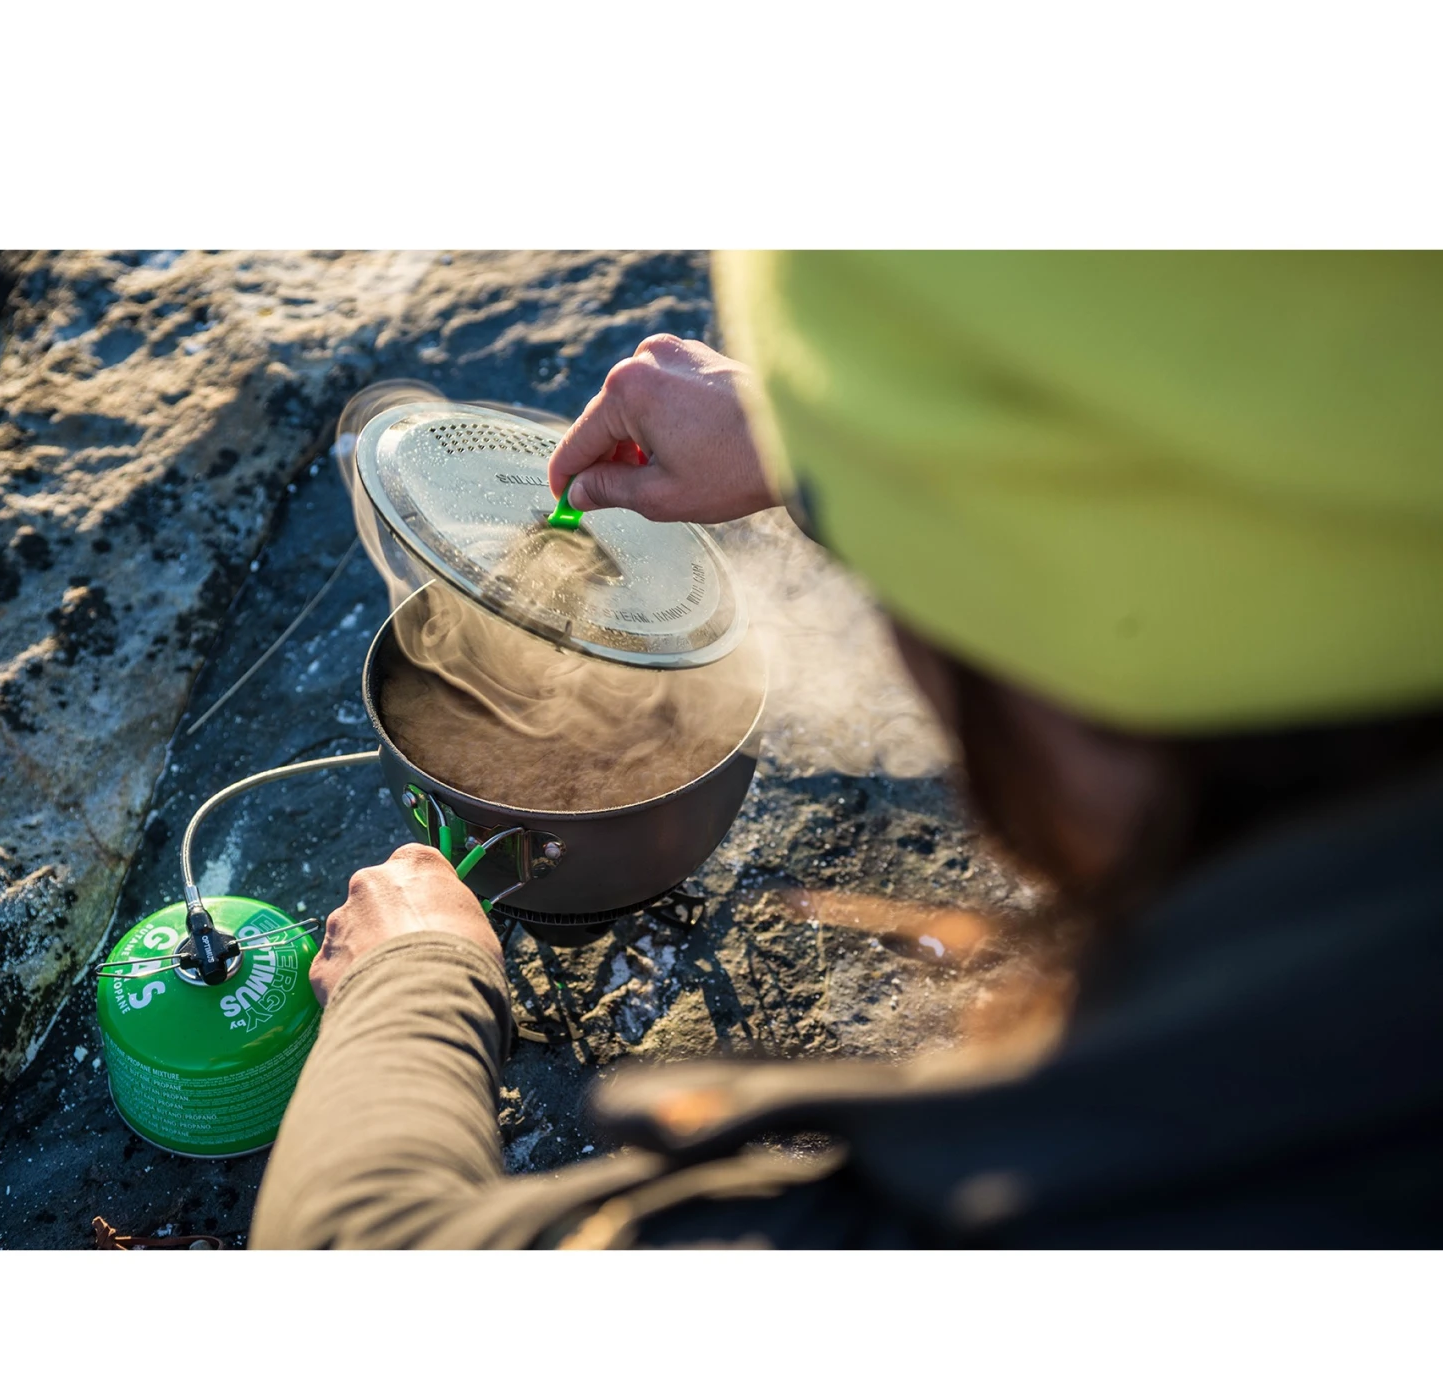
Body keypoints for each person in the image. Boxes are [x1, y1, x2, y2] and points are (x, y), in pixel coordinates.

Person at [251, 252, 1443, 1249]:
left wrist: (412, 980)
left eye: (907, 575)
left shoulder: (1063, 1201)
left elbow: (356, 1255)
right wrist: (813, 447)